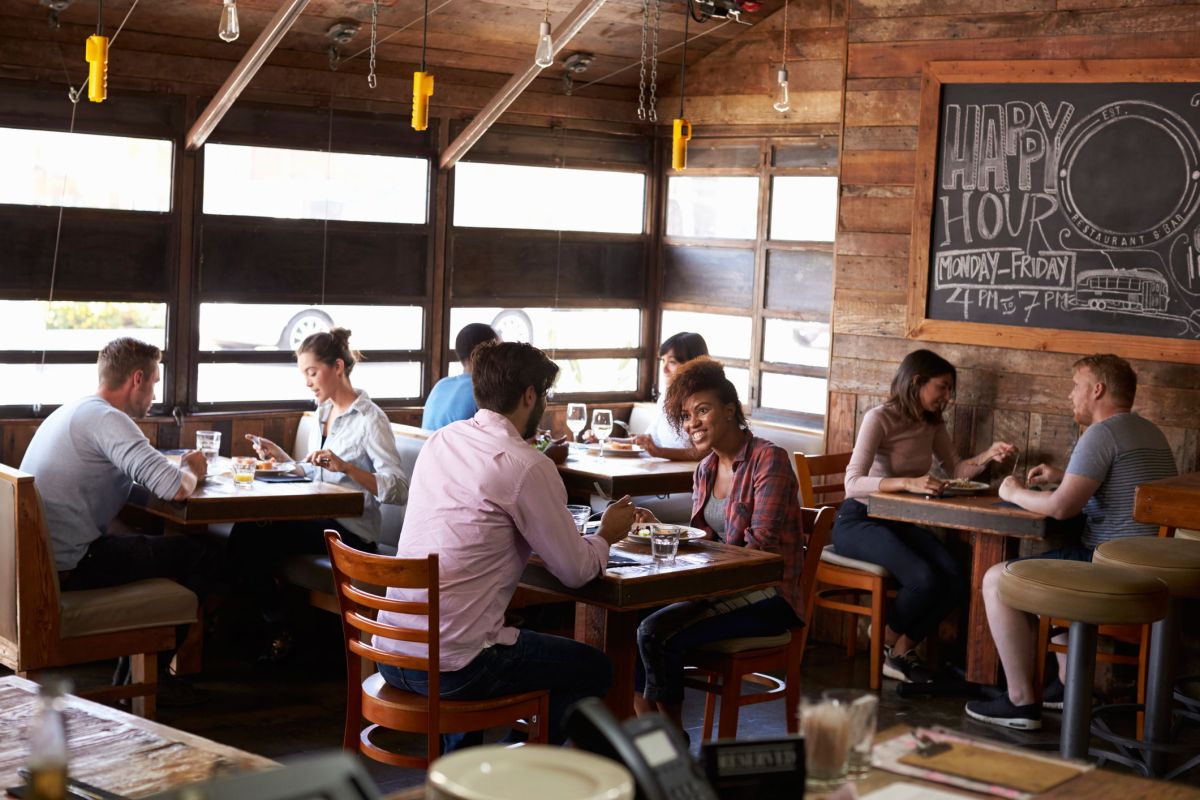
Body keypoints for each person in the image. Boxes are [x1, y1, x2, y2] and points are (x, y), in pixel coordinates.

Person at [374, 340, 636, 750]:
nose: (545, 405)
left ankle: (476, 766)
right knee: (595, 669)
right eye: (545, 395)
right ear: (530, 395)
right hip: (454, 668)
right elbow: (575, 572)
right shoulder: (527, 465)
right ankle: (522, 767)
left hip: (392, 653)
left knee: (475, 630)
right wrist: (605, 534)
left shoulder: (442, 441)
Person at [965, 354, 1178, 730]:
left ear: (1097, 390)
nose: (1070, 395)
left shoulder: (1101, 433)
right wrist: (1065, 475)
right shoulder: (1148, 432)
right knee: (1056, 565)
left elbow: (1062, 508)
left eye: (1076, 386)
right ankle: (1067, 686)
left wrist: (1012, 491)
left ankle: (1020, 702)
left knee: (996, 579)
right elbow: (1116, 486)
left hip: (1109, 570)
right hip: (1148, 573)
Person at [631, 356, 804, 730]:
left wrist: (700, 566)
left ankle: (671, 744)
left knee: (656, 632)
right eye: (686, 416)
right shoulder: (705, 469)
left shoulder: (768, 460)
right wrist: (663, 530)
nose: (692, 423)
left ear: (729, 410)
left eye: (702, 410)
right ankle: (652, 742)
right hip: (720, 588)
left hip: (770, 595)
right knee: (633, 621)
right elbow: (706, 544)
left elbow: (760, 552)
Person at [835, 349, 1015, 683]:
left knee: (956, 578)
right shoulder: (879, 418)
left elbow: (957, 469)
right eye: (942, 387)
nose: (948, 397)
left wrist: (988, 455)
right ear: (917, 381)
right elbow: (853, 483)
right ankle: (886, 637)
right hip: (858, 519)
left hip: (897, 521)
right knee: (923, 578)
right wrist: (907, 482)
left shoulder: (931, 422)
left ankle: (899, 649)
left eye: (950, 389)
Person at [234, 328, 409, 658]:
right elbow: (317, 471)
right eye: (304, 374)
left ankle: (278, 631)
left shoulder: (370, 419)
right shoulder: (324, 412)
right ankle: (275, 631)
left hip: (353, 533)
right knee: (249, 532)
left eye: (312, 372)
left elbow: (399, 489)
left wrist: (348, 468)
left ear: (338, 367)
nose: (307, 382)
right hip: (320, 519)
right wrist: (283, 459)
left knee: (252, 536)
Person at [19, 337, 215, 595]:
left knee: (154, 540)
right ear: (138, 379)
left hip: (37, 561)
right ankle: (194, 622)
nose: (155, 395)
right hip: (67, 569)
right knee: (199, 552)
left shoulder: (75, 410)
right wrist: (191, 468)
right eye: (155, 383)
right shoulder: (106, 418)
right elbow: (176, 488)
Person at [632, 331, 706, 461]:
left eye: (672, 362)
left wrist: (660, 452)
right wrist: (606, 441)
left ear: (693, 364)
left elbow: (704, 452)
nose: (664, 369)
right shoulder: (667, 396)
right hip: (663, 468)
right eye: (663, 361)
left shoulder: (704, 402)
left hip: (690, 472)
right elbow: (650, 439)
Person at [421, 323, 498, 431]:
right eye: (498, 351)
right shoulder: (483, 390)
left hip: (426, 442)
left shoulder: (441, 384)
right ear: (487, 353)